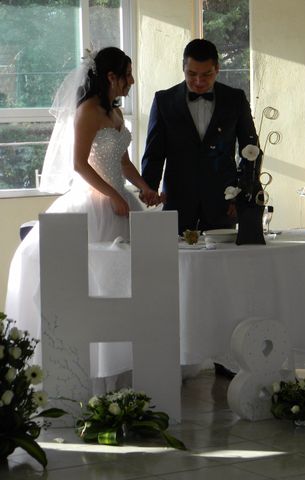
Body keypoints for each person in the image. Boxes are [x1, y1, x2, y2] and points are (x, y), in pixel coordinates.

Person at [5, 47, 158, 382]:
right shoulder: (87, 111)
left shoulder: (115, 113)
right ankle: (87, 372)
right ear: (111, 77)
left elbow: (123, 162)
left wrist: (145, 188)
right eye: (127, 75)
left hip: (121, 202)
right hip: (94, 204)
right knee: (94, 284)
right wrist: (112, 194)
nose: (132, 81)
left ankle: (124, 366)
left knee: (126, 285)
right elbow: (79, 164)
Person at [141, 38, 259, 233]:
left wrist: (243, 194)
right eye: (192, 74)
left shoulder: (235, 99)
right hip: (177, 199)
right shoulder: (164, 101)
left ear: (217, 69)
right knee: (177, 261)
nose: (198, 81)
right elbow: (154, 151)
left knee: (221, 262)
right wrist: (149, 188)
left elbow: (251, 150)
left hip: (223, 200)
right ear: (183, 68)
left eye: (206, 75)